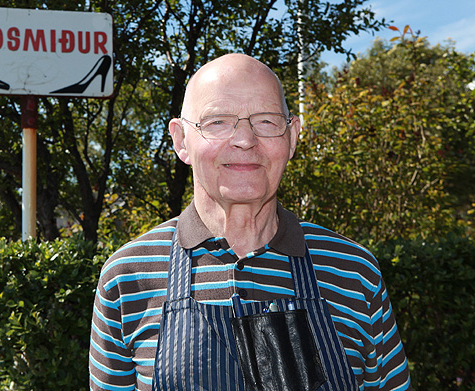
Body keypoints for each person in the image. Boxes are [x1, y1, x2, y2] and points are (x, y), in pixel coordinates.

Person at [89, 54, 411, 391]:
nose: (245, 139)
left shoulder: (353, 270)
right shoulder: (128, 277)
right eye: (217, 122)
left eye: (267, 122)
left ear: (293, 136)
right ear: (181, 140)